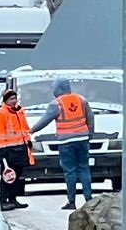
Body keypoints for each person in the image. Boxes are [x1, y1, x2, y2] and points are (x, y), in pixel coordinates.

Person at [30, 77, 95, 210]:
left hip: (66, 142)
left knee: (70, 171)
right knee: (84, 168)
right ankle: (89, 199)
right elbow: (90, 118)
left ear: (57, 88)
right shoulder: (81, 100)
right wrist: (90, 134)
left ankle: (71, 201)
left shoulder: (56, 104)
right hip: (82, 139)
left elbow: (45, 120)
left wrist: (31, 130)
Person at [0, 89, 32, 211]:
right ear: (5, 100)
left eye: (15, 98)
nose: (14, 101)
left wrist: (28, 142)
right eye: (11, 99)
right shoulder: (0, 114)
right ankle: (3, 201)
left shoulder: (19, 112)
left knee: (17, 176)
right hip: (7, 150)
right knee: (7, 177)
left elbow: (24, 129)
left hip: (20, 149)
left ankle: (13, 199)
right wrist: (2, 152)